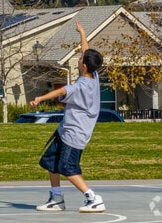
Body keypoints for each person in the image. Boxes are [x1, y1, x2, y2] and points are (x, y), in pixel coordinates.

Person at [31, 20, 106, 213]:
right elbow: (86, 50)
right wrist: (82, 32)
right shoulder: (93, 75)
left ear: (83, 66)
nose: (79, 59)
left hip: (75, 134)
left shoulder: (81, 86)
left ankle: (93, 198)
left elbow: (61, 91)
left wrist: (40, 98)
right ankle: (56, 199)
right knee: (51, 161)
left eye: (81, 60)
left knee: (67, 167)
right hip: (65, 131)